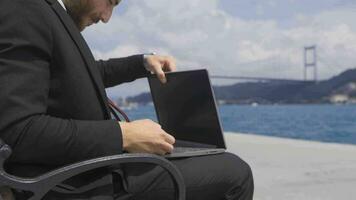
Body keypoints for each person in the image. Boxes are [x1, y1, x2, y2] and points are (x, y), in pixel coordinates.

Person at [0, 0, 254, 199]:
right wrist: (124, 135)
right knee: (235, 172)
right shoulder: (26, 10)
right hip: (77, 184)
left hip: (83, 169)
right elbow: (20, 131)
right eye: (110, 1)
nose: (106, 17)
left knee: (200, 157)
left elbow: (83, 74)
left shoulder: (47, 13)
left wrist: (142, 63)